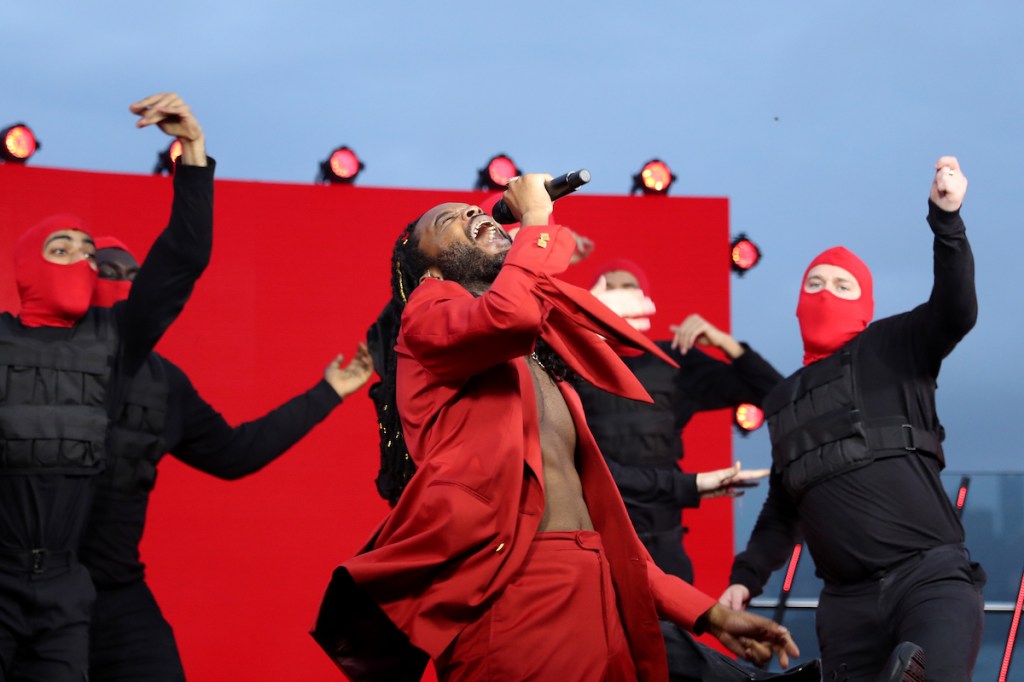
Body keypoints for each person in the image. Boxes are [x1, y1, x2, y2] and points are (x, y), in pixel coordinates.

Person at [312, 173, 799, 681]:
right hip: (515, 596)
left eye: (474, 210)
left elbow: (605, 531)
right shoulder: (426, 315)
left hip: (596, 592)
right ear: (428, 270)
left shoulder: (538, 367)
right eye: (447, 219)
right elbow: (511, 313)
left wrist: (705, 613)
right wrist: (536, 221)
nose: (472, 214)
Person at [721, 157, 984, 681]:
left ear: (865, 304)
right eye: (814, 284)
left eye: (842, 287)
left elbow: (956, 310)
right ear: (797, 304)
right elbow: (781, 507)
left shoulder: (893, 345)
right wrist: (744, 578)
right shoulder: (783, 400)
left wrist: (947, 221)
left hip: (930, 582)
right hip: (846, 610)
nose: (824, 294)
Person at [76, 238, 374, 681]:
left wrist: (328, 392)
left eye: (132, 277)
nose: (120, 284)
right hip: (30, 587)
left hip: (116, 591)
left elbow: (235, 453)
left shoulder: (163, 383)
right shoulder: (32, 361)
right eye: (107, 272)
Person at [0, 93, 212, 681]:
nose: (78, 260)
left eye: (86, 252)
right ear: (27, 267)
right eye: (59, 249)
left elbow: (183, 259)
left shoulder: (114, 342)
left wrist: (192, 149)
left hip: (66, 595)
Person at [575, 262, 826, 681]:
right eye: (610, 287)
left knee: (667, 655)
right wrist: (693, 485)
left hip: (663, 545)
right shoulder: (573, 363)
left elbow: (781, 396)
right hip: (597, 540)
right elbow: (591, 470)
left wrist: (728, 344)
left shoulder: (672, 362)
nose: (620, 295)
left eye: (630, 287)